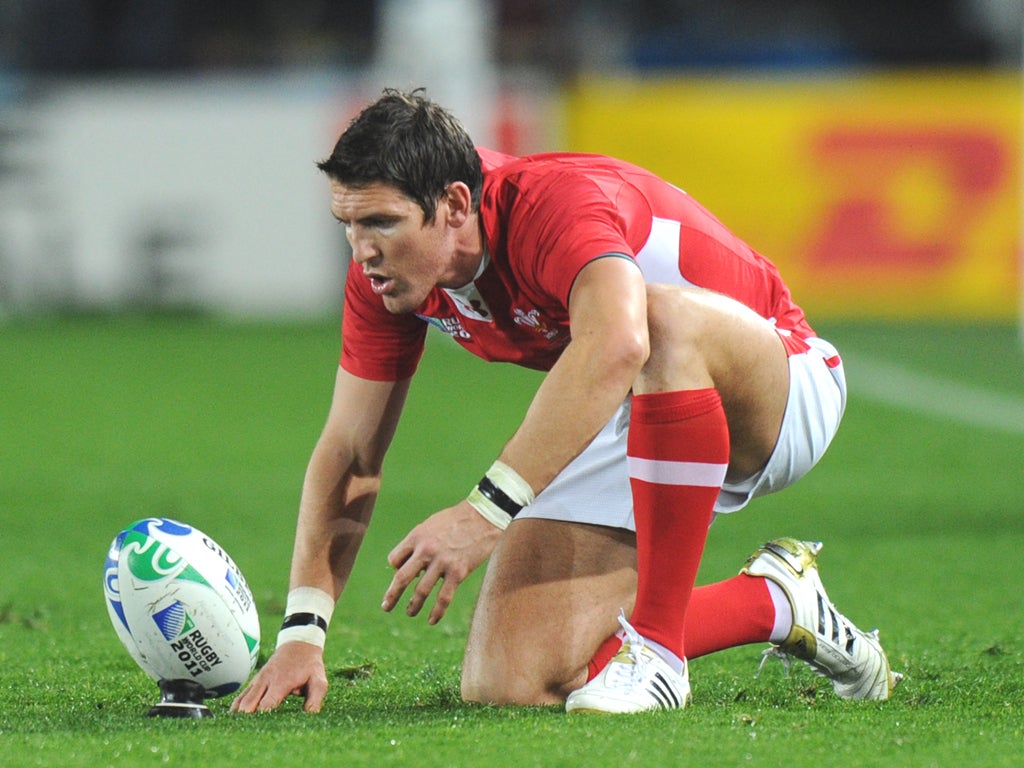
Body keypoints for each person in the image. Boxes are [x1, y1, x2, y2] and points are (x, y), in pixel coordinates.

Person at [230, 88, 900, 716]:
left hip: (781, 388)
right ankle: (776, 603)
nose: (362, 250)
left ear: (457, 205)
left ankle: (661, 651)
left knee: (653, 319)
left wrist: (483, 514)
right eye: (347, 224)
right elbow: (350, 451)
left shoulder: (554, 205)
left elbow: (616, 344)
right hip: (640, 405)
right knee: (512, 682)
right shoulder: (385, 280)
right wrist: (302, 631)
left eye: (381, 222)